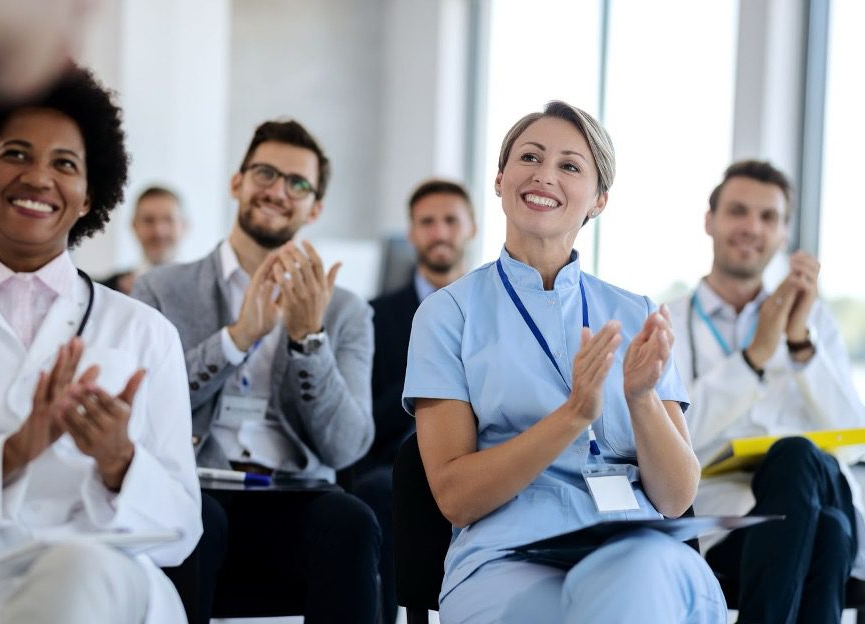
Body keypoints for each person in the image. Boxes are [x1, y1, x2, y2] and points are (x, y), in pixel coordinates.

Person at [402, 100, 727, 623]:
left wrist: (641, 399)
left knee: (639, 575)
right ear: (501, 178)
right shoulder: (447, 315)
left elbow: (675, 497)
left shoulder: (636, 315)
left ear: (599, 200)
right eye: (529, 157)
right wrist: (574, 414)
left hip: (636, 544)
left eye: (570, 166)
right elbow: (456, 499)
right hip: (508, 557)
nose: (544, 175)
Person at [0, 66, 201, 624]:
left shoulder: (143, 331)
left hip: (99, 583)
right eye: (15, 154)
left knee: (81, 571)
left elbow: (182, 531)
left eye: (65, 164)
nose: (38, 177)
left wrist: (120, 462)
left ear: (89, 196)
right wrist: (12, 453)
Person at [132, 118, 380, 623]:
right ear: (237, 183)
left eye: (298, 183)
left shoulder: (346, 311)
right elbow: (145, 411)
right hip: (198, 489)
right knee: (198, 518)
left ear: (315, 207)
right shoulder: (159, 289)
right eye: (265, 173)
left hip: (297, 495)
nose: (278, 191)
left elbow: (347, 446)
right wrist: (237, 338)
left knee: (352, 521)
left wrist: (309, 338)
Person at [667, 160, 865, 623]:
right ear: (709, 221)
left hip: (818, 492)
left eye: (768, 217)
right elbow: (672, 437)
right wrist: (753, 359)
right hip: (727, 526)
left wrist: (798, 344)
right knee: (830, 532)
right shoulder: (668, 321)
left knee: (797, 458)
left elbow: (855, 434)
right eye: (738, 211)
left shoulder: (813, 323)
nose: (752, 227)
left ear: (782, 233)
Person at [354, 177, 476, 623]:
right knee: (382, 491)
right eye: (427, 222)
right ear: (411, 234)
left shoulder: (492, 310)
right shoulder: (373, 315)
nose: (439, 232)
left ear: (472, 228)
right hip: (393, 463)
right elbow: (364, 417)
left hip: (481, 455)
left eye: (450, 220)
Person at [102, 186, 186, 294]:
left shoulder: (205, 291)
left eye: (168, 220)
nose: (159, 231)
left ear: (184, 226)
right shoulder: (108, 291)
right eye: (149, 220)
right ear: (134, 226)